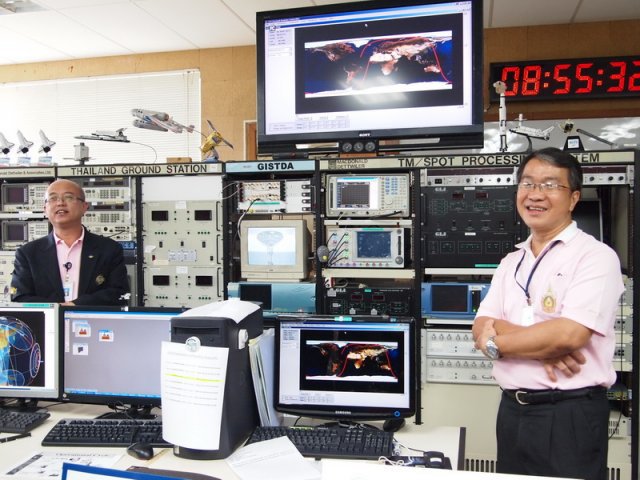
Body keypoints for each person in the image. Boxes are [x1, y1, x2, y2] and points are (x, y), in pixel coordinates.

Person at [472, 147, 624, 480]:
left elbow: (568, 336)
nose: (535, 194)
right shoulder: (511, 262)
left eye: (550, 185)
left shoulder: (595, 257)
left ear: (573, 198)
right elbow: (480, 325)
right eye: (527, 183)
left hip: (569, 414)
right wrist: (542, 345)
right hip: (512, 410)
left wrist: (496, 343)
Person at [10, 178, 130, 305]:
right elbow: (20, 298)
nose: (60, 203)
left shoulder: (109, 249)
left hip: (92, 318)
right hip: (47, 318)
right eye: (53, 198)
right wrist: (57, 309)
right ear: (45, 209)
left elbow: (120, 294)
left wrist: (75, 306)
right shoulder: (28, 253)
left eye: (68, 197)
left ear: (84, 207)